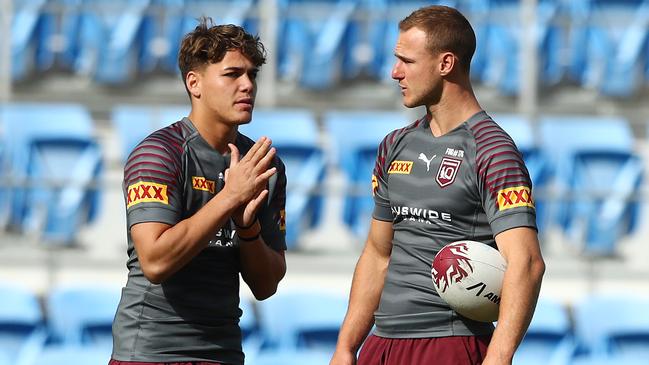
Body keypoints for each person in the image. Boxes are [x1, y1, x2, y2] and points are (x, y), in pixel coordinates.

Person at [330, 5, 545, 365]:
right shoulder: (394, 144)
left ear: (446, 64)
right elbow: (377, 254)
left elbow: (526, 262)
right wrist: (346, 345)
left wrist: (499, 357)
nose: (394, 72)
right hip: (381, 343)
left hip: (449, 343)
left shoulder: (493, 151)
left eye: (407, 61)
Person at [110, 18, 287, 365]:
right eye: (233, 74)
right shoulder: (159, 153)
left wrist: (247, 228)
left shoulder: (263, 166)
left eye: (252, 75)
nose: (247, 85)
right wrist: (229, 198)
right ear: (195, 83)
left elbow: (266, 286)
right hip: (151, 352)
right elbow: (156, 261)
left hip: (223, 352)